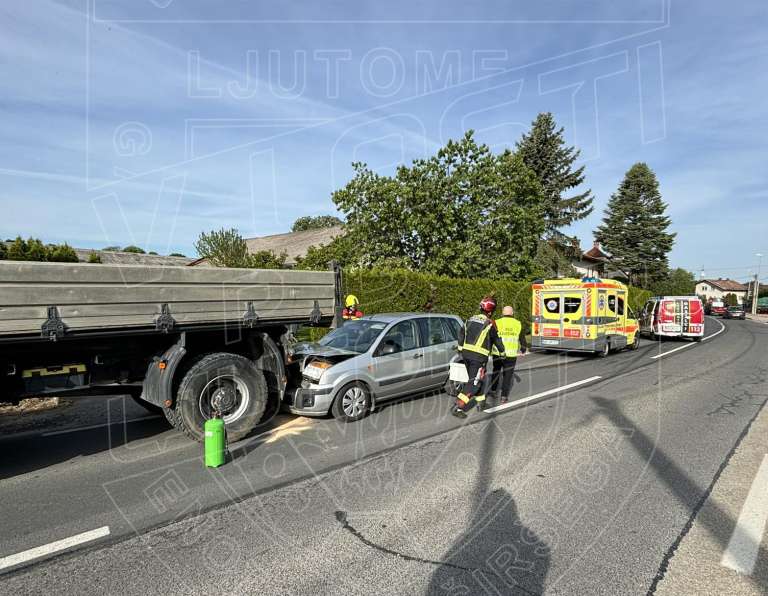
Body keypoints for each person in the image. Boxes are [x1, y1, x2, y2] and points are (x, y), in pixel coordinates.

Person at [452, 296, 506, 418]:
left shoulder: (469, 319)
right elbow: (497, 341)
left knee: (477, 378)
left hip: (466, 354)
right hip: (478, 358)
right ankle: (458, 407)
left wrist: (461, 349)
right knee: (474, 383)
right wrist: (503, 354)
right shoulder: (489, 324)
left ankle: (481, 403)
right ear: (490, 312)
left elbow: (461, 334)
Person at [489, 305, 527, 403]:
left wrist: (488, 350)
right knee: (508, 375)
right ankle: (504, 397)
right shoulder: (518, 323)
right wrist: (523, 348)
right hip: (510, 355)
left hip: (497, 353)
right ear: (512, 313)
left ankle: (493, 391)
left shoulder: (496, 322)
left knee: (496, 371)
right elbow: (522, 338)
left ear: (502, 313)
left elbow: (491, 337)